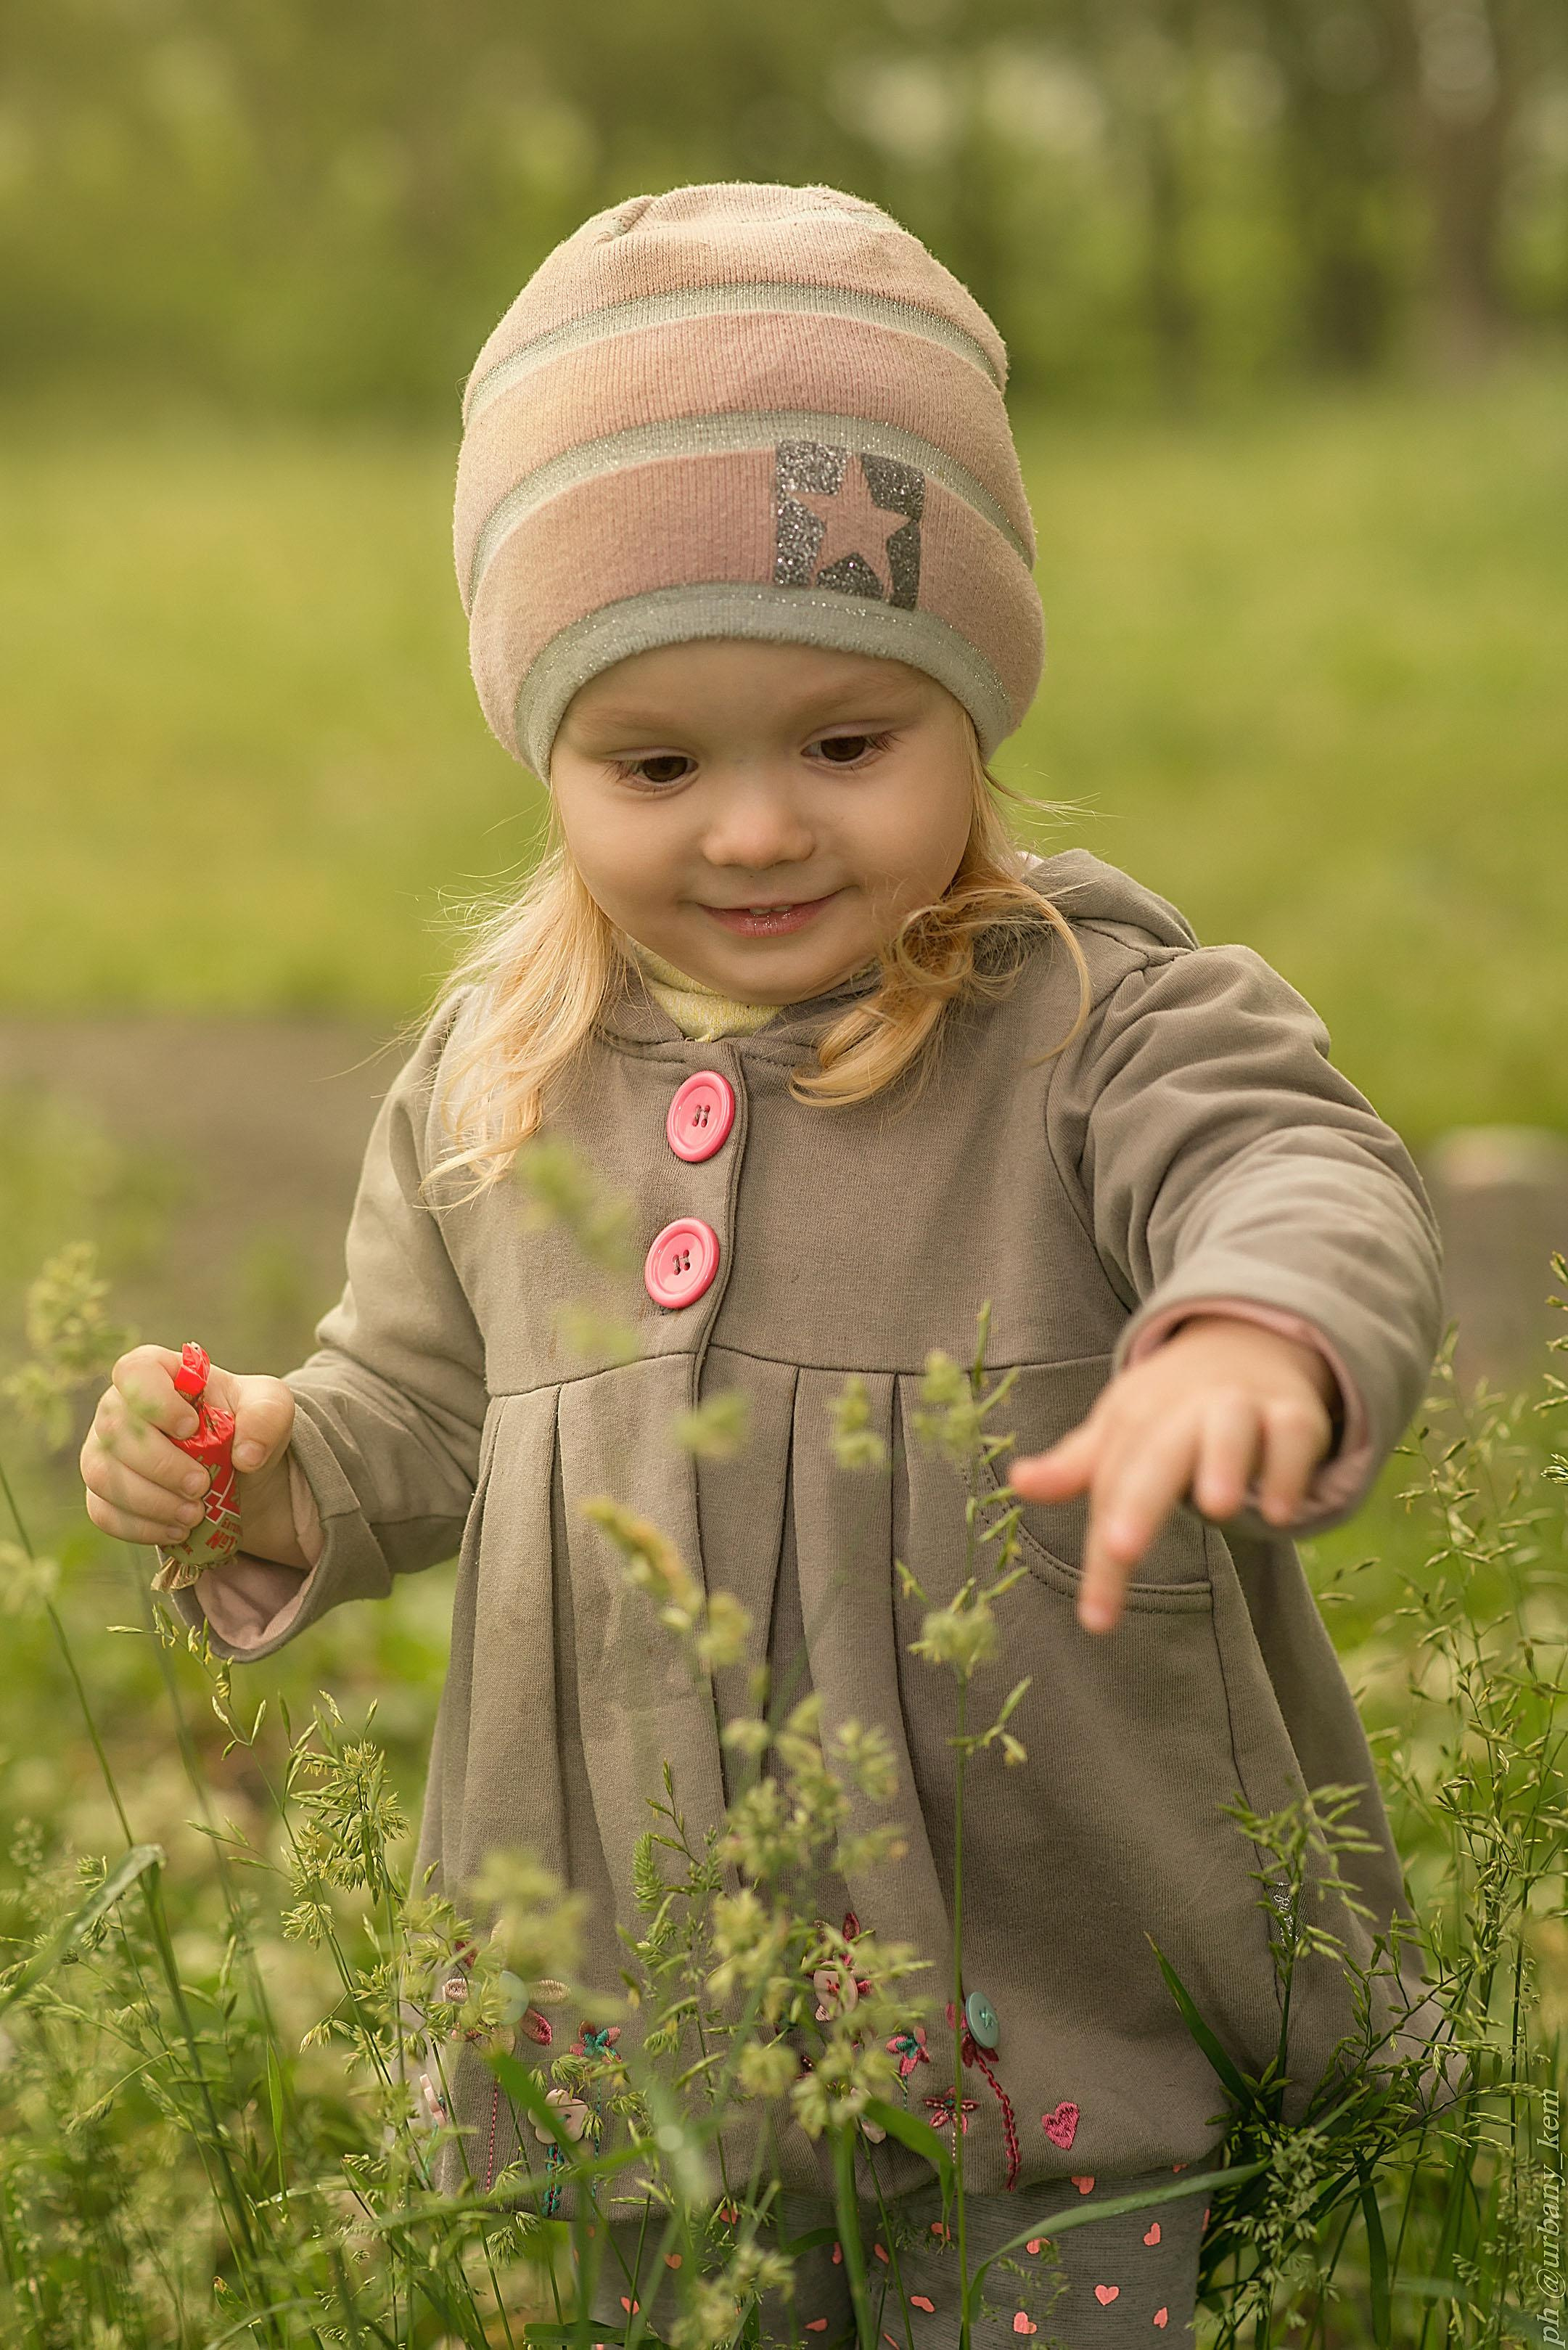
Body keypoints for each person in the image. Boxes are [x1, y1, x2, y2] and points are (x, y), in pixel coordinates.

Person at [79, 183, 1443, 2346]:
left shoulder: (1086, 1016)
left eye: (841, 742)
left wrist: (1251, 1324)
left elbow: (1297, 1166)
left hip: (1059, 2032)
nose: (750, 828)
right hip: (643, 2051)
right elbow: (418, 1419)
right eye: (653, 761)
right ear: (547, 752)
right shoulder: (492, 1083)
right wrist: (262, 1466)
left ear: (969, 704)